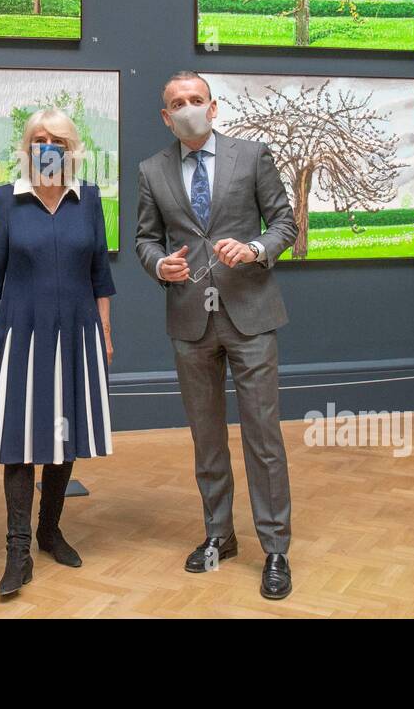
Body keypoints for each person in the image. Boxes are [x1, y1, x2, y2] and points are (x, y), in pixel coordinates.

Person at [135, 70, 299, 600]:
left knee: (263, 437)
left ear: (214, 106)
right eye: (177, 102)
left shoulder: (252, 156)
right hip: (189, 320)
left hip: (250, 313)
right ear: (166, 116)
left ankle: (275, 548)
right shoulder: (151, 170)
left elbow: (284, 224)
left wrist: (254, 250)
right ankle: (218, 536)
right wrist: (160, 266)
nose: (187, 107)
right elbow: (144, 239)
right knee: (207, 439)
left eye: (196, 99)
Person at [0, 107, 116, 597]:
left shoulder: (90, 199)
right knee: (19, 439)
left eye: (57, 138)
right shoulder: (6, 199)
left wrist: (106, 332)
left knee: (64, 433)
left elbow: (101, 273)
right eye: (38, 137)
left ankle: (49, 530)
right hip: (21, 332)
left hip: (76, 333)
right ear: (26, 146)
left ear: (72, 148)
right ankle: (18, 551)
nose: (47, 144)